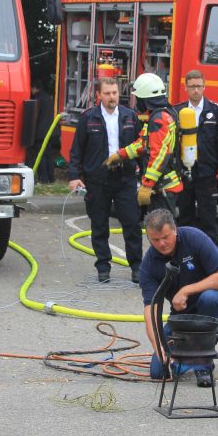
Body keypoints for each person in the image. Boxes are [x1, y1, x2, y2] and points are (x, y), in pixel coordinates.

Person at [140, 209, 218, 388]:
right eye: (155, 240)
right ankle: (189, 357)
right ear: (148, 237)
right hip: (185, 318)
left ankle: (202, 363)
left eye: (166, 237)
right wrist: (159, 348)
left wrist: (187, 290)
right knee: (158, 371)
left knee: (209, 299)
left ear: (175, 230)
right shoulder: (149, 265)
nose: (162, 244)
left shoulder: (194, 238)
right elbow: (150, 312)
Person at [68, 77, 143, 283]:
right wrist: (74, 177)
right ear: (99, 95)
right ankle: (103, 267)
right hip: (97, 179)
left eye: (115, 93)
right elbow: (77, 150)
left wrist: (146, 179)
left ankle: (137, 267)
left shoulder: (130, 116)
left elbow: (141, 148)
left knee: (131, 223)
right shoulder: (88, 118)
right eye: (108, 93)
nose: (112, 97)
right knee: (99, 225)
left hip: (124, 178)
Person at [104, 72, 183, 213]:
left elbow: (159, 155)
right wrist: (120, 155)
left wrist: (147, 185)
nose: (137, 102)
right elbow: (144, 143)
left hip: (163, 187)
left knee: (163, 230)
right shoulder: (163, 113)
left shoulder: (158, 119)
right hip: (163, 184)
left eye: (138, 98)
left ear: (145, 98)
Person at [174, 70, 218, 249]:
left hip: (207, 173)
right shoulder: (178, 111)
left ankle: (214, 261)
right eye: (192, 87)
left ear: (205, 87)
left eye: (199, 86)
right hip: (184, 173)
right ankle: (183, 256)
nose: (196, 90)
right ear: (186, 88)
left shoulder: (215, 111)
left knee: (208, 218)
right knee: (184, 217)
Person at [27, 79, 57, 184]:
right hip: (52, 131)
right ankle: (51, 178)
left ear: (34, 87)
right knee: (49, 155)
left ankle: (43, 178)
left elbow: (35, 116)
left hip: (40, 132)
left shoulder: (37, 99)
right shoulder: (49, 98)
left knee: (40, 156)